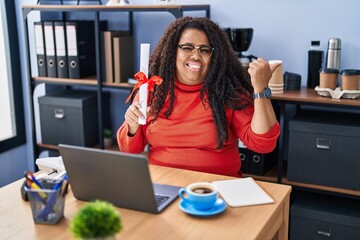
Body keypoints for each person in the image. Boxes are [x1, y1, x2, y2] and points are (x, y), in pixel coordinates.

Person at [117, 16, 280, 177]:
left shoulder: (228, 92)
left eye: (204, 50)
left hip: (216, 188)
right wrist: (132, 125)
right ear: (173, 51)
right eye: (187, 47)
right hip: (164, 183)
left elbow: (263, 144)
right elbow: (129, 149)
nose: (195, 56)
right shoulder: (151, 90)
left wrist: (261, 89)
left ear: (214, 56)